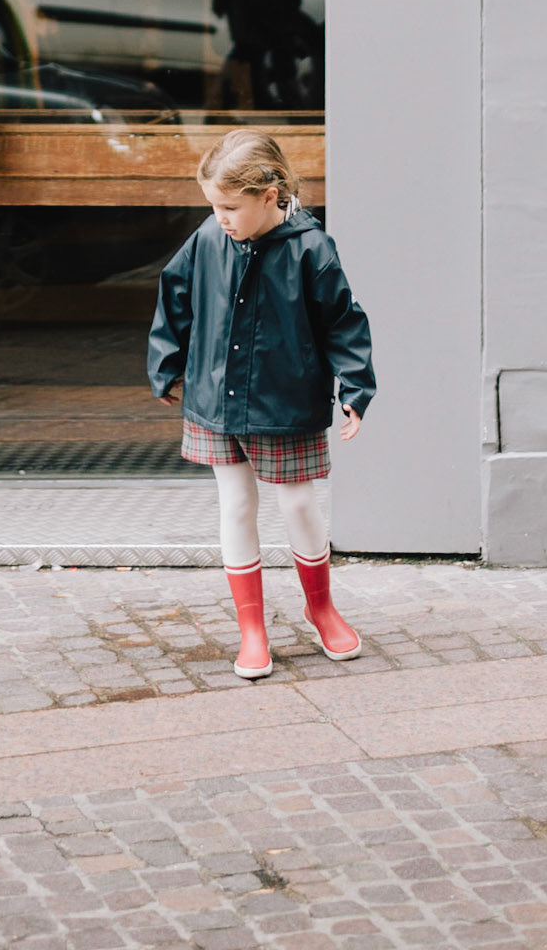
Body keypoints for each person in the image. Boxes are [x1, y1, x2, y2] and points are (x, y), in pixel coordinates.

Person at [147, 128, 375, 681]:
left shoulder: (311, 249)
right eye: (214, 206)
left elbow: (343, 321)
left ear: (270, 196)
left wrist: (355, 388)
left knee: (298, 504)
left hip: (286, 399)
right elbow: (174, 293)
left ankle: (320, 607)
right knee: (236, 504)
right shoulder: (208, 238)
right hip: (215, 396)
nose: (220, 217)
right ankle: (252, 627)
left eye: (230, 206)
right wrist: (167, 363)